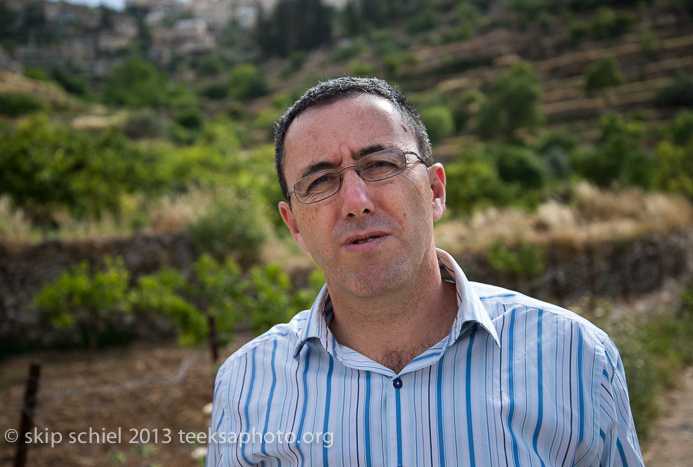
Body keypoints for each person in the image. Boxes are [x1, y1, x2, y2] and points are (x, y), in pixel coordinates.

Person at [207, 77, 644, 466]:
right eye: (320, 181)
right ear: (295, 225)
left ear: (435, 190)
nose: (356, 201)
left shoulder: (577, 357)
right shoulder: (245, 386)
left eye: (380, 164)